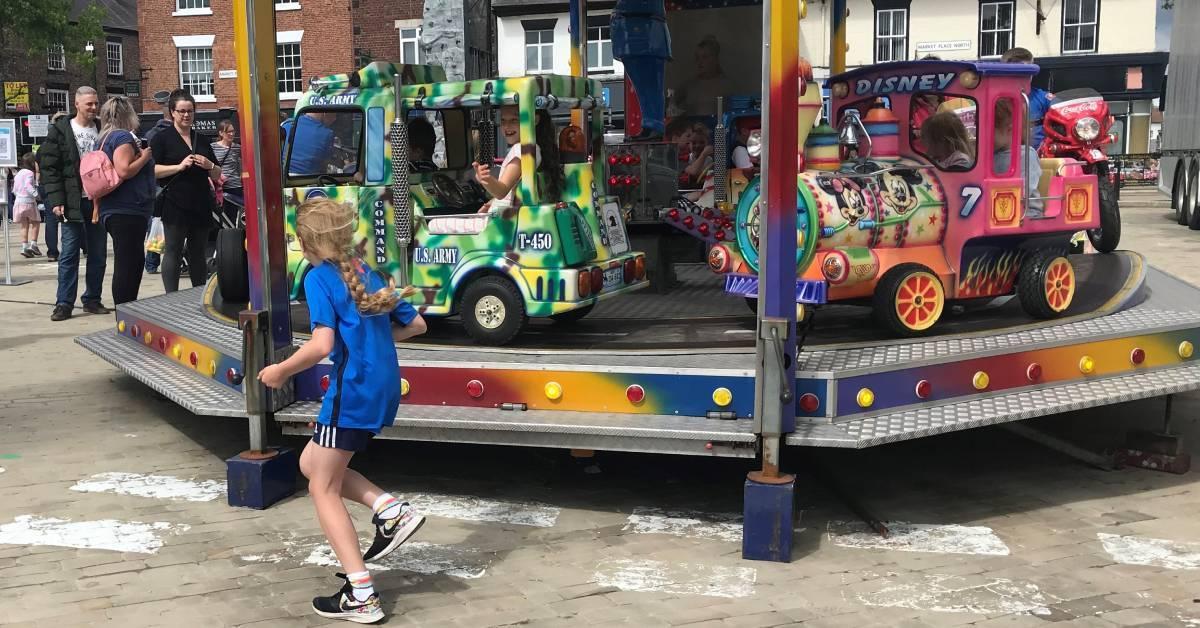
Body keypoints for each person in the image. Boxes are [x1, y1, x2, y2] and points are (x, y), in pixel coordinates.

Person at [257, 198, 428, 624]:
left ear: (305, 242)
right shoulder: (365, 272)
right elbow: (417, 325)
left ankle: (361, 593)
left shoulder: (319, 279)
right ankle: (389, 509)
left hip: (351, 393)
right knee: (312, 463)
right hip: (382, 387)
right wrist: (376, 346)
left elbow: (322, 346)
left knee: (322, 488)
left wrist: (279, 370)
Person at [42, 86, 111, 321]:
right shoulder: (61, 130)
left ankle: (92, 299)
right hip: (72, 201)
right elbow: (50, 168)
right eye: (89, 104)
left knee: (98, 253)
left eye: (96, 103)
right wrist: (56, 200)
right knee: (69, 253)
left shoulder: (104, 130)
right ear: (77, 104)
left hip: (97, 201)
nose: (93, 108)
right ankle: (64, 303)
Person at [151, 89, 222, 292]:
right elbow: (152, 171)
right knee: (173, 250)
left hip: (200, 202)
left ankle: (198, 293)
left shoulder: (202, 139)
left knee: (198, 252)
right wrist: (178, 167)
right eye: (181, 111)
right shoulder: (162, 139)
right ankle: (171, 296)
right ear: (172, 112)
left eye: (190, 111)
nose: (186, 115)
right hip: (175, 202)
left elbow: (217, 174)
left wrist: (209, 165)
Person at [96, 96, 156, 305]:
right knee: (130, 264)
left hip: (111, 208)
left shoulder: (102, 139)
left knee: (126, 261)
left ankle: (124, 308)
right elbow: (124, 170)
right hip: (128, 209)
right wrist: (145, 157)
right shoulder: (121, 137)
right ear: (128, 114)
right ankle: (124, 310)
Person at [473, 106, 563, 211]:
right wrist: (490, 203)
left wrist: (485, 179)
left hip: (502, 221)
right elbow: (510, 192)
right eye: (503, 120)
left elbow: (501, 191)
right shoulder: (533, 149)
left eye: (514, 120)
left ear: (535, 120)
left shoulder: (521, 150)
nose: (507, 126)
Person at [993, 99, 1043, 217]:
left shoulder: (1026, 155)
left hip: (1027, 215)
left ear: (1010, 130)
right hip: (1002, 213)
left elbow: (1024, 192)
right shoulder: (990, 156)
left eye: (989, 129)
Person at [1001, 47, 1052, 150]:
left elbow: (1064, 109)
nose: (1025, 76)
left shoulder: (1042, 97)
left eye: (1029, 71)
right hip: (1006, 155)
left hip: (1041, 157)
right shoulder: (997, 100)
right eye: (1018, 71)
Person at [671, 36, 727, 117]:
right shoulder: (689, 85)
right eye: (697, 58)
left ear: (715, 59)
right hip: (692, 128)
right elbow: (670, 101)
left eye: (705, 57)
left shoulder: (726, 85)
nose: (700, 62)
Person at [211, 119, 244, 219]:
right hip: (219, 186)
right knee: (222, 215)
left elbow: (243, 164)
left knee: (235, 215)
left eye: (233, 131)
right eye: (228, 131)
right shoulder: (213, 147)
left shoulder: (238, 148)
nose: (231, 134)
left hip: (235, 186)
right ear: (221, 133)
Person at [12, 153, 42, 257]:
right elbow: (28, 185)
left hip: (18, 201)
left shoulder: (18, 173)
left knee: (24, 225)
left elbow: (14, 189)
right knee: (36, 222)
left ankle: (24, 246)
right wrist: (36, 194)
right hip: (29, 202)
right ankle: (33, 244)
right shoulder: (30, 173)